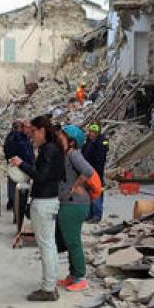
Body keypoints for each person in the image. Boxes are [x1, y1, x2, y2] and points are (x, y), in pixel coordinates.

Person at [9, 115, 65, 302]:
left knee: (46, 245)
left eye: (33, 131)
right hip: (48, 200)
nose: (32, 135)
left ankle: (48, 288)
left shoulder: (49, 150)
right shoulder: (52, 148)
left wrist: (22, 165)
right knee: (49, 244)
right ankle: (51, 285)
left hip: (44, 202)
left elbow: (41, 176)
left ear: (42, 130)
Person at [56, 125, 94, 293]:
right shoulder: (66, 155)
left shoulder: (73, 154)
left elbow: (88, 170)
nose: (58, 139)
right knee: (68, 240)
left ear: (71, 142)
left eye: (62, 137)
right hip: (69, 203)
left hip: (75, 204)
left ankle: (80, 277)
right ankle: (72, 275)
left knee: (73, 241)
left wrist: (76, 185)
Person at [4, 120, 34, 211]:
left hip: (20, 166)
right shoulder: (16, 138)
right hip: (19, 166)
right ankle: (16, 208)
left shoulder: (21, 138)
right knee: (18, 189)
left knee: (16, 189)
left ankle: (15, 206)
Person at [81, 123, 108, 222]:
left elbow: (100, 158)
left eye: (94, 132)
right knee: (88, 193)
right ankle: (89, 214)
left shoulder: (101, 142)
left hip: (97, 172)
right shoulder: (88, 141)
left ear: (97, 133)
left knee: (97, 192)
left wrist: (95, 172)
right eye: (91, 132)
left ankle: (97, 215)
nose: (91, 134)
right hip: (88, 171)